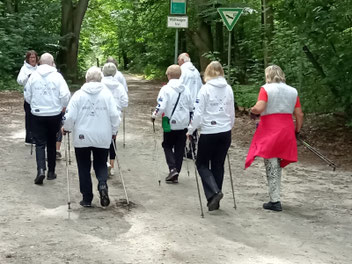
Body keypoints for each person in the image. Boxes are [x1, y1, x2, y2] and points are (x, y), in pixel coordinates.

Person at [245, 65, 304, 212]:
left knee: (271, 162)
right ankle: (275, 195)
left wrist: (251, 110)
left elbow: (259, 107)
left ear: (268, 75)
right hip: (287, 128)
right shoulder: (292, 91)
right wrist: (297, 130)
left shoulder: (266, 89)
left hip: (271, 128)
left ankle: (275, 200)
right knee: (277, 162)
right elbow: (299, 114)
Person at [63, 66, 120, 207]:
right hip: (102, 135)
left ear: (86, 79)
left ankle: (87, 198)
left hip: (82, 136)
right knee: (100, 162)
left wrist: (66, 128)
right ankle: (102, 185)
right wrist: (114, 131)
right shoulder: (107, 95)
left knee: (83, 166)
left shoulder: (78, 95)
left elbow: (69, 116)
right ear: (100, 79)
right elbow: (114, 115)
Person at [187, 61, 235, 211]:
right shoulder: (228, 88)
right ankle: (215, 198)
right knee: (218, 164)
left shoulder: (205, 89)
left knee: (201, 163)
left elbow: (198, 113)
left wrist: (190, 130)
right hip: (225, 131)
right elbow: (231, 110)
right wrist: (229, 125)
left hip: (209, 131)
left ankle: (214, 193)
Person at [24, 53, 70, 184]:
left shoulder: (33, 76)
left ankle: (40, 170)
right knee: (51, 142)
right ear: (52, 63)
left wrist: (34, 105)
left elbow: (27, 95)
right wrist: (63, 106)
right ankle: (51, 172)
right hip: (54, 114)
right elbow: (65, 94)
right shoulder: (57, 77)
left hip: (37, 114)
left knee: (39, 143)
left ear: (39, 62)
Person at [151, 65, 193, 183]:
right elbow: (191, 106)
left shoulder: (165, 89)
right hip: (183, 122)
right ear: (180, 75)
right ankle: (176, 171)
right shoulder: (186, 88)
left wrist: (154, 115)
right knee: (180, 148)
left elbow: (161, 105)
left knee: (167, 145)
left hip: (169, 122)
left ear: (169, 75)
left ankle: (172, 168)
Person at [102, 62, 128, 176]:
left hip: (101, 115)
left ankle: (104, 163)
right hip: (115, 117)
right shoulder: (119, 86)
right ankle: (112, 166)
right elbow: (125, 102)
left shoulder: (100, 84)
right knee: (112, 140)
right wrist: (119, 107)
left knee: (101, 140)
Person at [177, 53, 203, 158]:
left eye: (179, 59)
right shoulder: (196, 71)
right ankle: (192, 149)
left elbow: (179, 86)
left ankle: (182, 148)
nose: (178, 61)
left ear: (183, 60)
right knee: (193, 126)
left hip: (185, 103)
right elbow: (200, 86)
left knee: (183, 125)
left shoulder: (181, 71)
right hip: (195, 103)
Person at [17, 50, 39, 145]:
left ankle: (37, 136)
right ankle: (29, 138)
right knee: (29, 118)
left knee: (37, 118)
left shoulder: (39, 68)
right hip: (29, 98)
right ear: (28, 59)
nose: (33, 59)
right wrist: (27, 77)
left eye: (34, 57)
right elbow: (19, 81)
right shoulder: (24, 68)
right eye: (31, 57)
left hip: (38, 98)